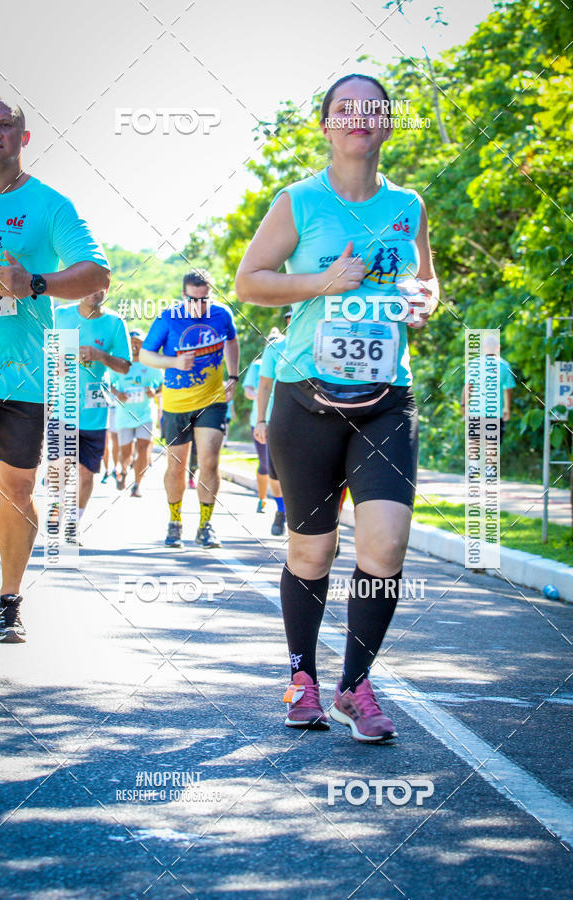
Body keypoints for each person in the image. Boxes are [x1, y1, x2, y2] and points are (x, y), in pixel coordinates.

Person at [236, 74, 439, 742]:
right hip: (306, 397)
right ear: (325, 125)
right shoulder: (298, 202)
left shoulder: (408, 204)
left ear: (387, 123)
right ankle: (302, 677)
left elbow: (426, 283)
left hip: (387, 400)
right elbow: (250, 282)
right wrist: (321, 281)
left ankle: (356, 686)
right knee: (312, 552)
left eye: (372, 108)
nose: (359, 117)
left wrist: (424, 302)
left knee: (386, 544)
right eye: (344, 109)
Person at [0, 96, 110, 642]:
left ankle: (9, 598)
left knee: (18, 489)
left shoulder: (50, 205)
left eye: (6, 125)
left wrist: (35, 283)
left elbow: (96, 273)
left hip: (24, 372)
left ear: (24, 138)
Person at [140, 270, 239, 549]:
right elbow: (145, 355)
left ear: (211, 294)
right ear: (183, 295)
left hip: (212, 400)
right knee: (176, 465)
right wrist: (173, 363)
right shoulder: (167, 318)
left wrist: (233, 376)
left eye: (204, 299)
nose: (199, 306)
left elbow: (232, 340)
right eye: (193, 300)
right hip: (176, 403)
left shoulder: (221, 315)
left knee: (209, 462)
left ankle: (206, 526)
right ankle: (175, 522)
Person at [53, 291, 131, 541]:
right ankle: (56, 509)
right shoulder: (60, 315)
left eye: (100, 287)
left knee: (86, 474)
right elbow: (42, 350)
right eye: (88, 285)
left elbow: (125, 365)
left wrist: (100, 356)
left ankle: (72, 525)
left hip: (94, 411)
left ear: (107, 290)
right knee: (62, 468)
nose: (94, 292)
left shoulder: (115, 323)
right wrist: (56, 361)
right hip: (61, 408)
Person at [253, 311, 293, 535]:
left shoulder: (320, 342)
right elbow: (265, 385)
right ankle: (280, 510)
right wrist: (260, 420)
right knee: (275, 474)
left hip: (310, 420)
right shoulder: (275, 347)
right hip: (276, 419)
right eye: (289, 318)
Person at [111, 329, 162, 497]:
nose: (134, 345)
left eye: (138, 342)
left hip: (145, 414)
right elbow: (108, 383)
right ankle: (124, 470)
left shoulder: (151, 364)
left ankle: (137, 484)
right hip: (124, 415)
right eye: (131, 342)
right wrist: (118, 393)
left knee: (143, 447)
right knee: (125, 452)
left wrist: (153, 391)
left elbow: (162, 384)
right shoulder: (120, 364)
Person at [243, 326, 283, 514]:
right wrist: (257, 395)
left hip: (282, 420)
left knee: (281, 466)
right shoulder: (258, 364)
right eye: (270, 341)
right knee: (266, 463)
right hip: (259, 420)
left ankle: (282, 509)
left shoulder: (286, 361)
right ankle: (262, 499)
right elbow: (248, 389)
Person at [461, 335, 515, 443]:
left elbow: (468, 387)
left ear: (484, 347)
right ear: (498, 347)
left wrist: (463, 405)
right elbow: (508, 390)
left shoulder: (475, 364)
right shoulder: (504, 365)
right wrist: (507, 409)